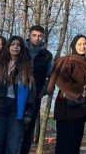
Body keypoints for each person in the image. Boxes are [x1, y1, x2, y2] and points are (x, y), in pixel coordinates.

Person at [0, 36, 35, 154]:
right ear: (8, 47)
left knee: (13, 146)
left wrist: (29, 111)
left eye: (18, 45)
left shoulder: (26, 67)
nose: (15, 47)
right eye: (12, 44)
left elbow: (31, 91)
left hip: (16, 110)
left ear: (22, 48)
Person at [48, 35, 86, 154]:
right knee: (64, 144)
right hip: (66, 108)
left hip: (81, 108)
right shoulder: (68, 60)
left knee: (75, 143)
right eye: (79, 44)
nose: (83, 47)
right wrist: (78, 93)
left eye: (85, 44)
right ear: (74, 45)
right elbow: (61, 80)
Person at [20, 26, 53, 154]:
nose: (37, 38)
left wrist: (43, 91)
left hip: (35, 97)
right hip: (17, 95)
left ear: (43, 37)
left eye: (40, 36)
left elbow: (50, 76)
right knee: (14, 130)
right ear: (29, 35)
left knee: (28, 132)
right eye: (34, 35)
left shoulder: (47, 55)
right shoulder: (21, 51)